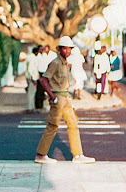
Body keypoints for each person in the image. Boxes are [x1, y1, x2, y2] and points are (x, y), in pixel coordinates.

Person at [34, 36, 95, 164]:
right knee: (53, 125)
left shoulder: (65, 63)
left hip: (65, 97)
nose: (67, 51)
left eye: (69, 49)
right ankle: (41, 155)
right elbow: (43, 80)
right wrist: (53, 97)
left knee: (73, 123)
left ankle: (78, 155)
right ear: (59, 49)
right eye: (65, 48)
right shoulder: (55, 63)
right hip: (58, 97)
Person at [36, 45, 57, 110]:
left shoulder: (52, 55)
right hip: (41, 73)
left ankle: (48, 102)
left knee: (49, 88)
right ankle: (39, 105)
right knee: (40, 90)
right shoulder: (40, 56)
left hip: (48, 72)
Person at [24, 47, 41, 113]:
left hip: (29, 77)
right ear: (36, 52)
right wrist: (34, 78)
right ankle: (30, 108)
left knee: (31, 93)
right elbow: (31, 69)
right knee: (31, 93)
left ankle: (31, 107)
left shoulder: (29, 57)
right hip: (32, 78)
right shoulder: (33, 59)